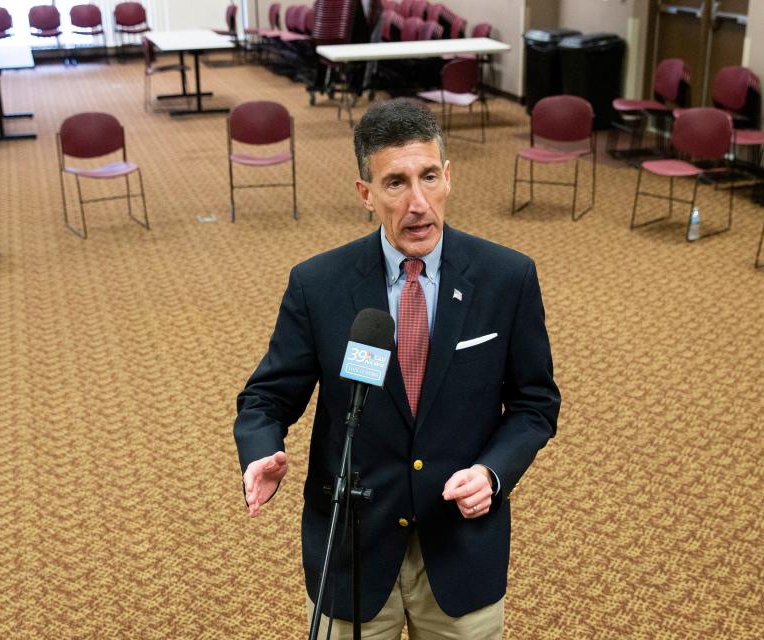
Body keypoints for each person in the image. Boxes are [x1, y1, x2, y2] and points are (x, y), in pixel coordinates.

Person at [234, 98, 560, 639]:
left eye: (429, 176)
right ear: (366, 194)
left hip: (460, 548)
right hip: (355, 552)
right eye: (395, 183)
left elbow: (534, 404)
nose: (418, 203)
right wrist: (260, 449)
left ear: (448, 177)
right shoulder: (319, 285)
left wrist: (494, 473)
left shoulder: (508, 277)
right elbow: (265, 397)